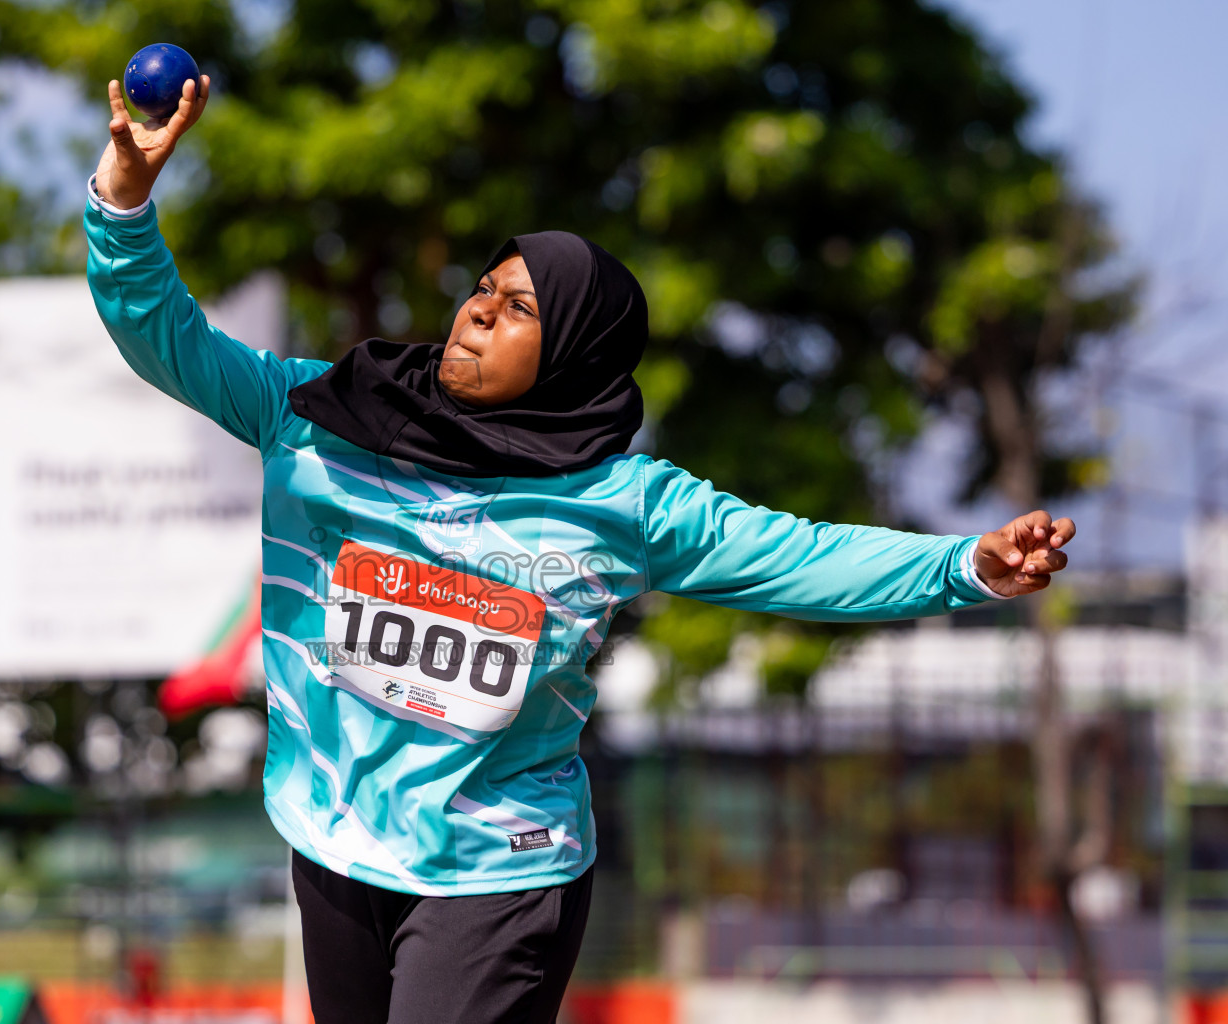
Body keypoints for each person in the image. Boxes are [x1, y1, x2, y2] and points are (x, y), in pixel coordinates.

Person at [86, 76, 1074, 1024]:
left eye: (521, 308)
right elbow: (165, 336)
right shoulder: (316, 413)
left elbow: (801, 557)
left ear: (574, 355)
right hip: (336, 838)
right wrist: (125, 200)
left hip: (498, 868)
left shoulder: (619, 502)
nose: (479, 310)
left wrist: (965, 566)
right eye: (483, 289)